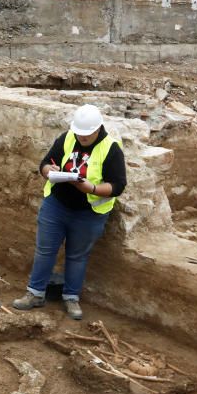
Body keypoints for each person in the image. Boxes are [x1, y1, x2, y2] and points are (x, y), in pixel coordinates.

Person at [12, 104, 127, 320]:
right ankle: (35, 293)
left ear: (97, 129)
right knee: (45, 250)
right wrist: (49, 171)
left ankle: (71, 297)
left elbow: (118, 185)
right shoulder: (67, 138)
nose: (81, 138)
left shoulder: (110, 148)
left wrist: (91, 188)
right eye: (79, 133)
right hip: (57, 205)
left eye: (86, 134)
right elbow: (45, 163)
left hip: (89, 212)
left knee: (77, 256)